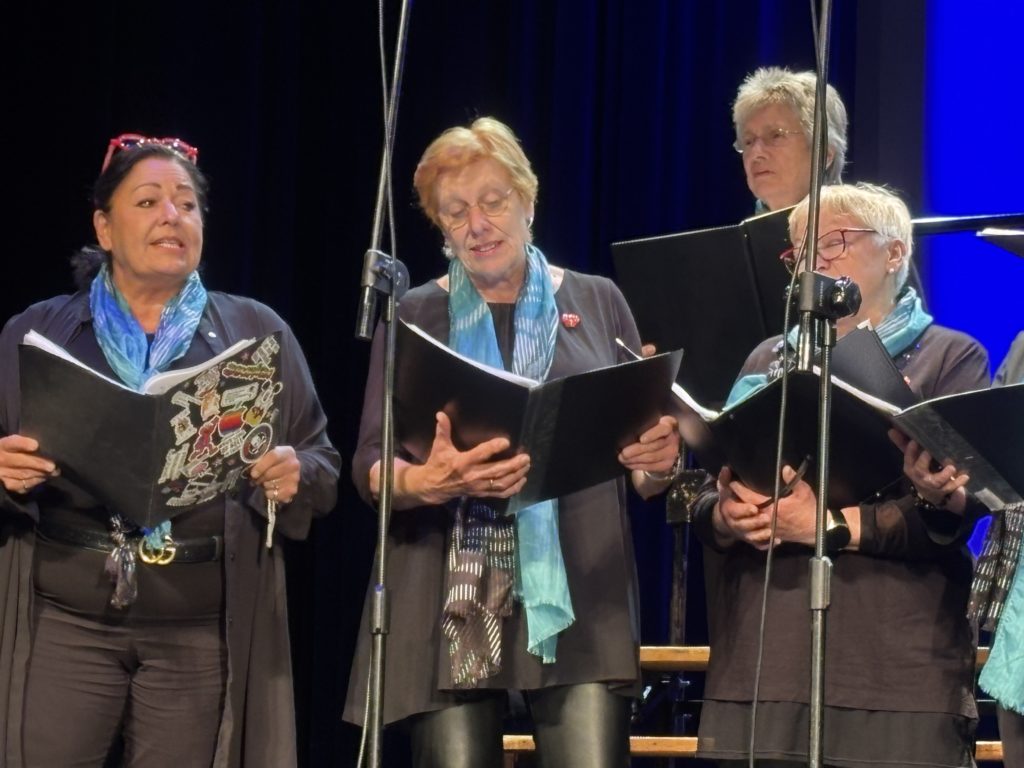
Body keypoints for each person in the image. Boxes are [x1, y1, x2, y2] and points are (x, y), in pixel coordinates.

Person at [343, 116, 681, 767]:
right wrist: (427, 480)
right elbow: (369, 463)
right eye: (456, 212)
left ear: (528, 200)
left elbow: (646, 463)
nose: (478, 224)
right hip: (448, 601)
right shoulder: (413, 314)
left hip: (580, 595)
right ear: (440, 227)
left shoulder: (599, 300)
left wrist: (660, 461)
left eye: (493, 202)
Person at [0, 134, 341, 767]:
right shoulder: (38, 332)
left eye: (187, 204)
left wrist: (296, 473)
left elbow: (322, 462)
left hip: (195, 632)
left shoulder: (255, 334)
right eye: (148, 201)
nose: (171, 216)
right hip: (67, 623)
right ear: (104, 228)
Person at [690, 183, 989, 767]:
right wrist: (727, 513)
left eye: (833, 241)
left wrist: (824, 524)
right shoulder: (765, 360)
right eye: (799, 250)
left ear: (895, 252)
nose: (813, 260)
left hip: (893, 669)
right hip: (764, 662)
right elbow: (703, 495)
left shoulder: (950, 357)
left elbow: (958, 510)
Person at [733, 66, 849, 213]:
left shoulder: (862, 226)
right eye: (748, 141)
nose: (756, 153)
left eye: (776, 135)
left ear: (823, 154)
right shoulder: (732, 227)